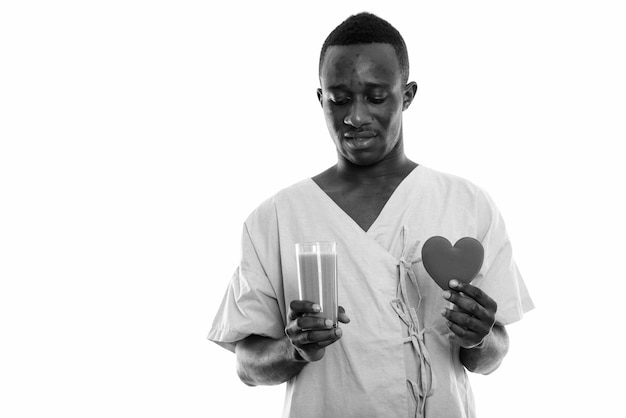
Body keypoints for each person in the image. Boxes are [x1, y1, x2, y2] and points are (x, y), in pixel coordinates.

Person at [208, 12, 533, 418]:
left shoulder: (466, 203)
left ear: (408, 95)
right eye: (339, 98)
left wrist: (480, 338)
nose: (355, 117)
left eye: (376, 97)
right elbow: (247, 366)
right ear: (320, 98)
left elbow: (492, 356)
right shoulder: (276, 217)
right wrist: (294, 348)